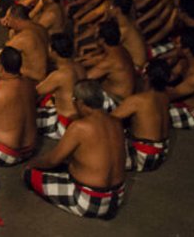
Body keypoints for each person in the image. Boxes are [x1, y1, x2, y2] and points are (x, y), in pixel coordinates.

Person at [23, 80, 126, 219]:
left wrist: (32, 164)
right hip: (117, 197)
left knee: (30, 175)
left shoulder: (80, 127)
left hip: (89, 201)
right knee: (68, 164)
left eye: (73, 100)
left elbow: (53, 160)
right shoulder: (115, 122)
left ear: (81, 103)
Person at [112, 59, 171, 172]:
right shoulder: (165, 97)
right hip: (161, 153)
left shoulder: (138, 100)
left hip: (143, 156)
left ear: (146, 76)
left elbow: (108, 120)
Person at [78, 21, 136, 111]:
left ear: (102, 40)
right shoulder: (119, 49)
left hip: (116, 101)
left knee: (81, 91)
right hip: (116, 95)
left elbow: (84, 77)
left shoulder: (110, 61)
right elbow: (97, 59)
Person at [35, 33, 84, 139]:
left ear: (54, 52)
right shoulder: (79, 67)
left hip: (65, 123)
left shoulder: (60, 75)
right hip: (81, 116)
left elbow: (34, 93)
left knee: (22, 115)